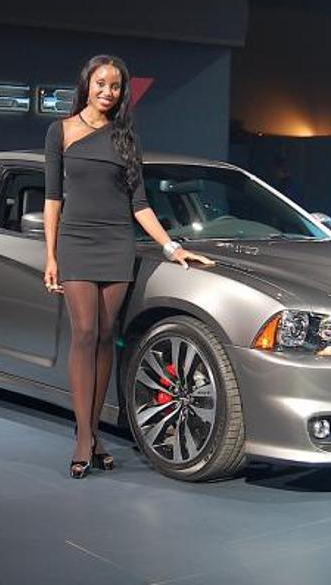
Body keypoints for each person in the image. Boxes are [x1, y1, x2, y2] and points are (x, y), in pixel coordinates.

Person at [42, 54, 216, 479]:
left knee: (106, 337)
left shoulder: (126, 139)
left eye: (116, 86)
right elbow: (52, 199)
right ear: (87, 85)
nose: (108, 91)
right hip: (76, 243)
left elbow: (140, 204)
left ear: (122, 93)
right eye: (101, 83)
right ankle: (84, 439)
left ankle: (94, 434)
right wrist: (51, 255)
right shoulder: (60, 131)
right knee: (85, 333)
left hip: (116, 244)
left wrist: (172, 247)